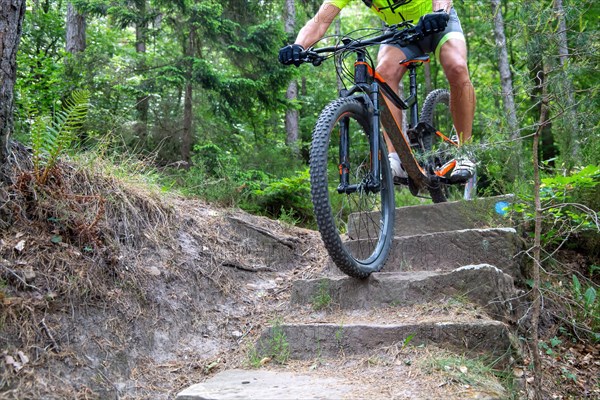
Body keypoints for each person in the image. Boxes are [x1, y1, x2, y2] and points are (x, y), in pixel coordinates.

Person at [278, 0, 476, 183]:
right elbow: (320, 21)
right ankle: (396, 157)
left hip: (438, 21)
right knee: (382, 74)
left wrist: (440, 11)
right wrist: (298, 45)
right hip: (401, 32)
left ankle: (464, 151)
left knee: (457, 67)